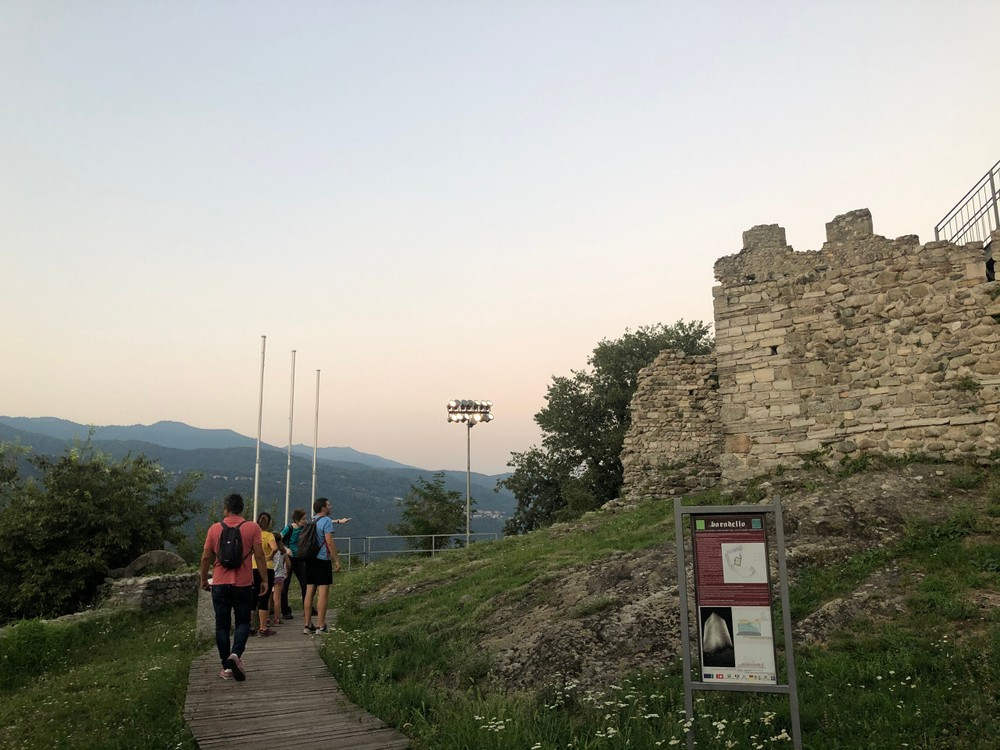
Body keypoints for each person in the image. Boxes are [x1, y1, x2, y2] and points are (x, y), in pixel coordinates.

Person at [199, 493, 268, 682]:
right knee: (243, 623)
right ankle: (235, 655)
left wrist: (204, 580)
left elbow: (206, 557)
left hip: (220, 584)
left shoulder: (214, 529)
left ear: (226, 509)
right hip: (243, 584)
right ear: (242, 509)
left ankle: (226, 667)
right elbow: (260, 555)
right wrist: (264, 580)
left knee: (221, 625)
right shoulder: (252, 527)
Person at [302, 497, 341, 635]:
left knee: (309, 591)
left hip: (310, 559)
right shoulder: (327, 521)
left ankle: (307, 625)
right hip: (322, 559)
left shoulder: (311, 520)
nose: (331, 507)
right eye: (329, 505)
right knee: (323, 592)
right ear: (323, 508)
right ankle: (321, 625)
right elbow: (329, 542)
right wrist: (336, 559)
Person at [278, 508, 308, 619]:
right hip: (289, 558)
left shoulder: (304, 528)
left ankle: (307, 607)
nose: (305, 521)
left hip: (300, 558)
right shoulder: (289, 528)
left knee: (305, 583)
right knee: (285, 584)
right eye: (303, 519)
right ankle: (285, 610)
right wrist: (285, 549)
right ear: (297, 520)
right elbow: (278, 539)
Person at [252, 511, 277, 637]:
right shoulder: (269, 536)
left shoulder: (254, 534)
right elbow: (275, 548)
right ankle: (263, 627)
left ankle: (250, 627)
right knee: (264, 597)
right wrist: (270, 556)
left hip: (253, 567)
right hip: (267, 568)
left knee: (252, 598)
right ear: (269, 522)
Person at [269, 536, 289, 626]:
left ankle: (267, 619)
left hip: (269, 573)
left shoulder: (270, 550)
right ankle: (277, 619)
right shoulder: (283, 551)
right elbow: (288, 564)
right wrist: (286, 573)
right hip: (279, 576)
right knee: (277, 598)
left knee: (268, 599)